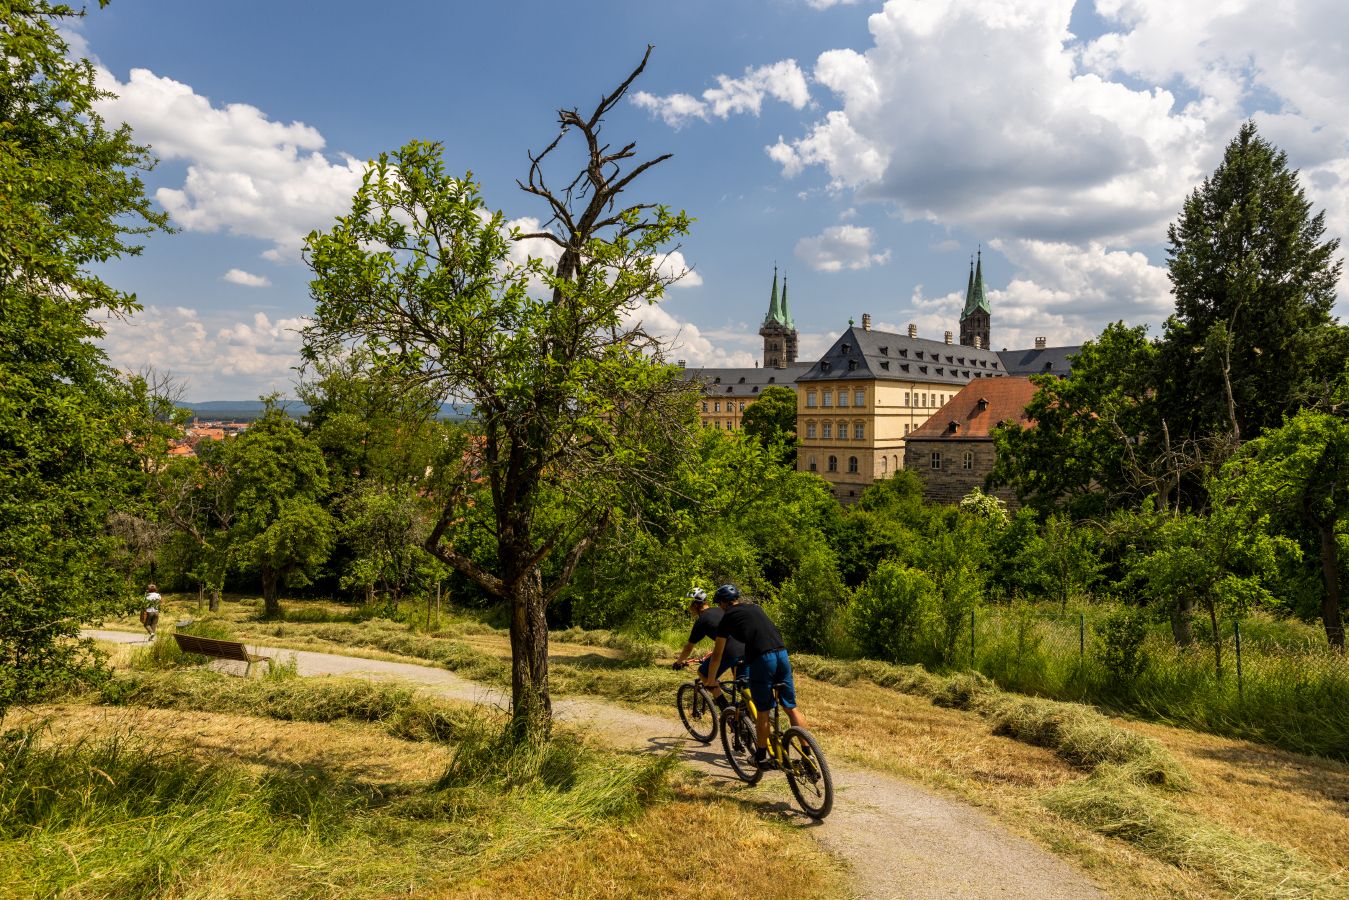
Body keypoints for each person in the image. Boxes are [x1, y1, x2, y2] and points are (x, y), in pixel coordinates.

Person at [702, 583, 807, 768]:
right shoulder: (755, 607)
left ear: (723, 603)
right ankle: (808, 756)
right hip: (782, 654)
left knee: (763, 710)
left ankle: (760, 757)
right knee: (791, 707)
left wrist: (711, 680)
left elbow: (717, 655)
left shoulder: (726, 618)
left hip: (762, 659)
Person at [671, 589, 745, 699]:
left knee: (703, 674)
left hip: (729, 651)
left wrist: (678, 662)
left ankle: (725, 709)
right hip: (745, 647)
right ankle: (746, 712)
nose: (689, 608)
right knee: (742, 685)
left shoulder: (701, 621)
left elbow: (688, 648)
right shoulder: (720, 609)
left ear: (696, 604)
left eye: (689, 605)